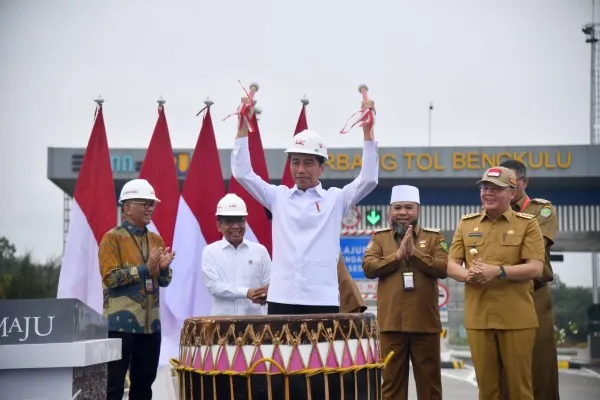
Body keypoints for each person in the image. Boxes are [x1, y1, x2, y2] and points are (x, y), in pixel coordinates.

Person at [230, 104, 378, 315]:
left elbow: (369, 179)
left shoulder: (335, 199)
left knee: (321, 350)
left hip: (322, 299)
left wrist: (368, 133)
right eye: (295, 162)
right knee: (281, 350)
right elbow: (243, 173)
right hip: (281, 297)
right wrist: (242, 127)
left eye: (308, 163)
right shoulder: (277, 197)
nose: (300, 170)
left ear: (321, 167)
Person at [446, 166, 545, 400]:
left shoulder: (528, 224)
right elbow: (451, 264)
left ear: (512, 193)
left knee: (520, 389)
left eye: (496, 188)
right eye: (484, 187)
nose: (488, 193)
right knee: (487, 390)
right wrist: (468, 275)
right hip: (479, 317)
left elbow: (536, 267)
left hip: (516, 319)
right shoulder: (466, 224)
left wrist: (497, 272)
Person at [362, 185, 448, 400]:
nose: (403, 212)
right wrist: (397, 256)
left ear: (418, 210)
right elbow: (369, 268)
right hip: (391, 326)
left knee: (430, 387)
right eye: (397, 207)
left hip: (425, 325)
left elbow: (444, 268)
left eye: (408, 207)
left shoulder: (435, 238)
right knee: (391, 387)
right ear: (390, 211)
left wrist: (415, 253)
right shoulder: (379, 238)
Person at [99, 178, 175, 400]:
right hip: (119, 326)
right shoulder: (112, 238)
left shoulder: (155, 239)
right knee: (113, 386)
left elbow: (164, 282)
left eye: (152, 204)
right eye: (145, 203)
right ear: (127, 207)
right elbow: (110, 278)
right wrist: (145, 269)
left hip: (151, 327)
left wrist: (161, 270)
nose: (150, 208)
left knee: (144, 387)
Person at [500, 159, 560, 400]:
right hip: (502, 293)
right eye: (502, 184)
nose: (508, 188)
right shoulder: (491, 213)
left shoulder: (541, 210)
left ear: (525, 182)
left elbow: (534, 247)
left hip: (534, 293)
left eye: (513, 183)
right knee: (502, 362)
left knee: (540, 361)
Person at [201, 193, 271, 316]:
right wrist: (247, 293)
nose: (236, 226)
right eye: (229, 221)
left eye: (240, 220)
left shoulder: (260, 251)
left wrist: (266, 293)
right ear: (219, 225)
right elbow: (214, 286)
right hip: (222, 325)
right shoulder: (210, 251)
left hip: (256, 323)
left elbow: (270, 283)